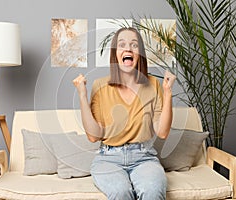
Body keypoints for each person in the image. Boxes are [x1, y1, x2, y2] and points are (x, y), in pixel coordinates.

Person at [73, 27, 176, 200]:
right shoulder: (100, 85)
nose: (128, 49)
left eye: (134, 45)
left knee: (152, 191)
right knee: (121, 193)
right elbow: (93, 136)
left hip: (144, 158)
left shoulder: (154, 85)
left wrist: (167, 93)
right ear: (115, 54)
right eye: (122, 45)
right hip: (108, 159)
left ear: (140, 53)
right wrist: (82, 96)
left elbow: (162, 132)